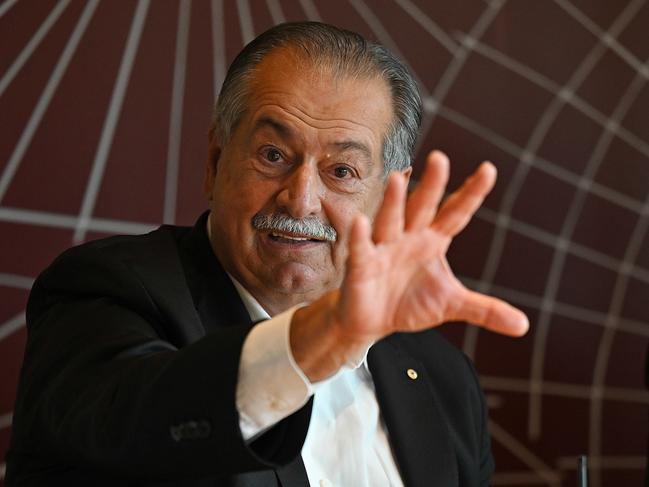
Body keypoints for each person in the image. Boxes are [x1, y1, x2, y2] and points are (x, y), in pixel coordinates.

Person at [6, 22, 528, 486]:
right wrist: (321, 338)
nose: (300, 199)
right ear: (215, 161)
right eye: (273, 155)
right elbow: (135, 424)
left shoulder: (443, 378)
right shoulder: (104, 293)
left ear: (393, 194)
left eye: (341, 171)